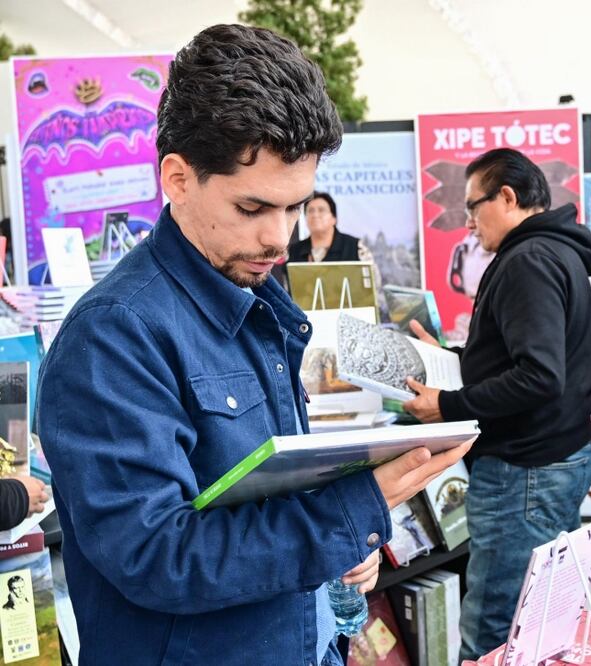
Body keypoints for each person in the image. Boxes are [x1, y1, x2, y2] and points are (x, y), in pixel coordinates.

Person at [36, 25, 470, 665]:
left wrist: (338, 551)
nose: (280, 238)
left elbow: (263, 492)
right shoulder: (113, 335)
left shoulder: (261, 298)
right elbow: (157, 556)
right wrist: (354, 511)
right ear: (178, 179)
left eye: (295, 208)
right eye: (251, 208)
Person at [401, 148, 591, 660]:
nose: (468, 224)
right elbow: (521, 357)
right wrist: (450, 358)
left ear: (507, 197)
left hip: (524, 471)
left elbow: (538, 376)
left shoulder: (528, 260)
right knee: (542, 618)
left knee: (497, 624)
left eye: (473, 207)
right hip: (555, 454)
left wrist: (448, 404)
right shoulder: (551, 251)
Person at [288, 192, 361, 264]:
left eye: (321, 210)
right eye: (310, 211)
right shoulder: (294, 250)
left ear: (334, 218)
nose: (315, 215)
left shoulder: (356, 247)